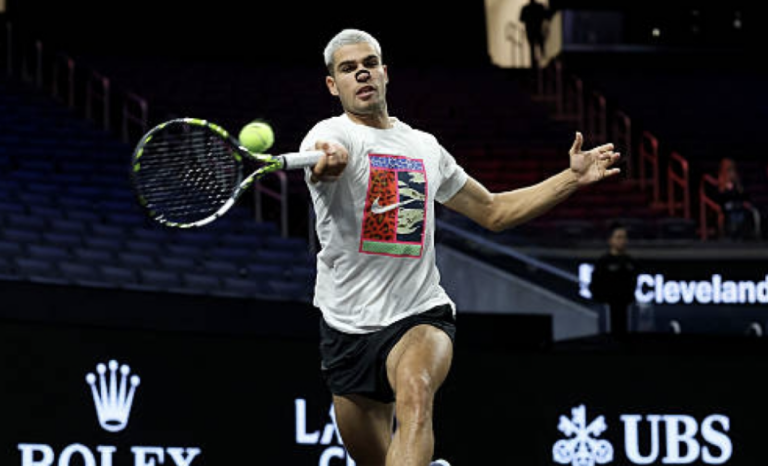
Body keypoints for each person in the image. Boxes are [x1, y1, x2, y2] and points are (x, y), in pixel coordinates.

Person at [300, 28, 621, 466]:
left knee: (415, 392)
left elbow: (494, 212)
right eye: (348, 69)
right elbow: (327, 156)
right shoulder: (331, 133)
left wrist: (572, 179)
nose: (362, 73)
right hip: (345, 327)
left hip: (418, 314)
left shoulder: (424, 148)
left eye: (369, 64)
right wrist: (329, 164)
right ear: (333, 86)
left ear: (385, 73)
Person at [589, 223, 639, 337]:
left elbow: (634, 283)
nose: (622, 240)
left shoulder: (631, 262)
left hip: (627, 308)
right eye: (618, 237)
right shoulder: (602, 262)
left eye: (624, 237)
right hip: (607, 309)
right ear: (610, 240)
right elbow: (594, 286)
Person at [716, 157, 761, 240]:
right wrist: (728, 188)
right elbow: (721, 198)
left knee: (753, 211)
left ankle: (750, 233)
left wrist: (738, 187)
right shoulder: (722, 180)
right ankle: (730, 232)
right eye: (729, 169)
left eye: (732, 169)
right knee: (732, 211)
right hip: (727, 205)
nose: (731, 172)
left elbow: (743, 195)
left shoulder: (737, 180)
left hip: (739, 203)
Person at [519, 0, 553, 69]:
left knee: (533, 49)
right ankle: (544, 64)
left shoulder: (526, 8)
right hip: (538, 30)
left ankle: (535, 65)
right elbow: (547, 16)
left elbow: (521, 19)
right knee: (541, 47)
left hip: (531, 31)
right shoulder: (539, 7)